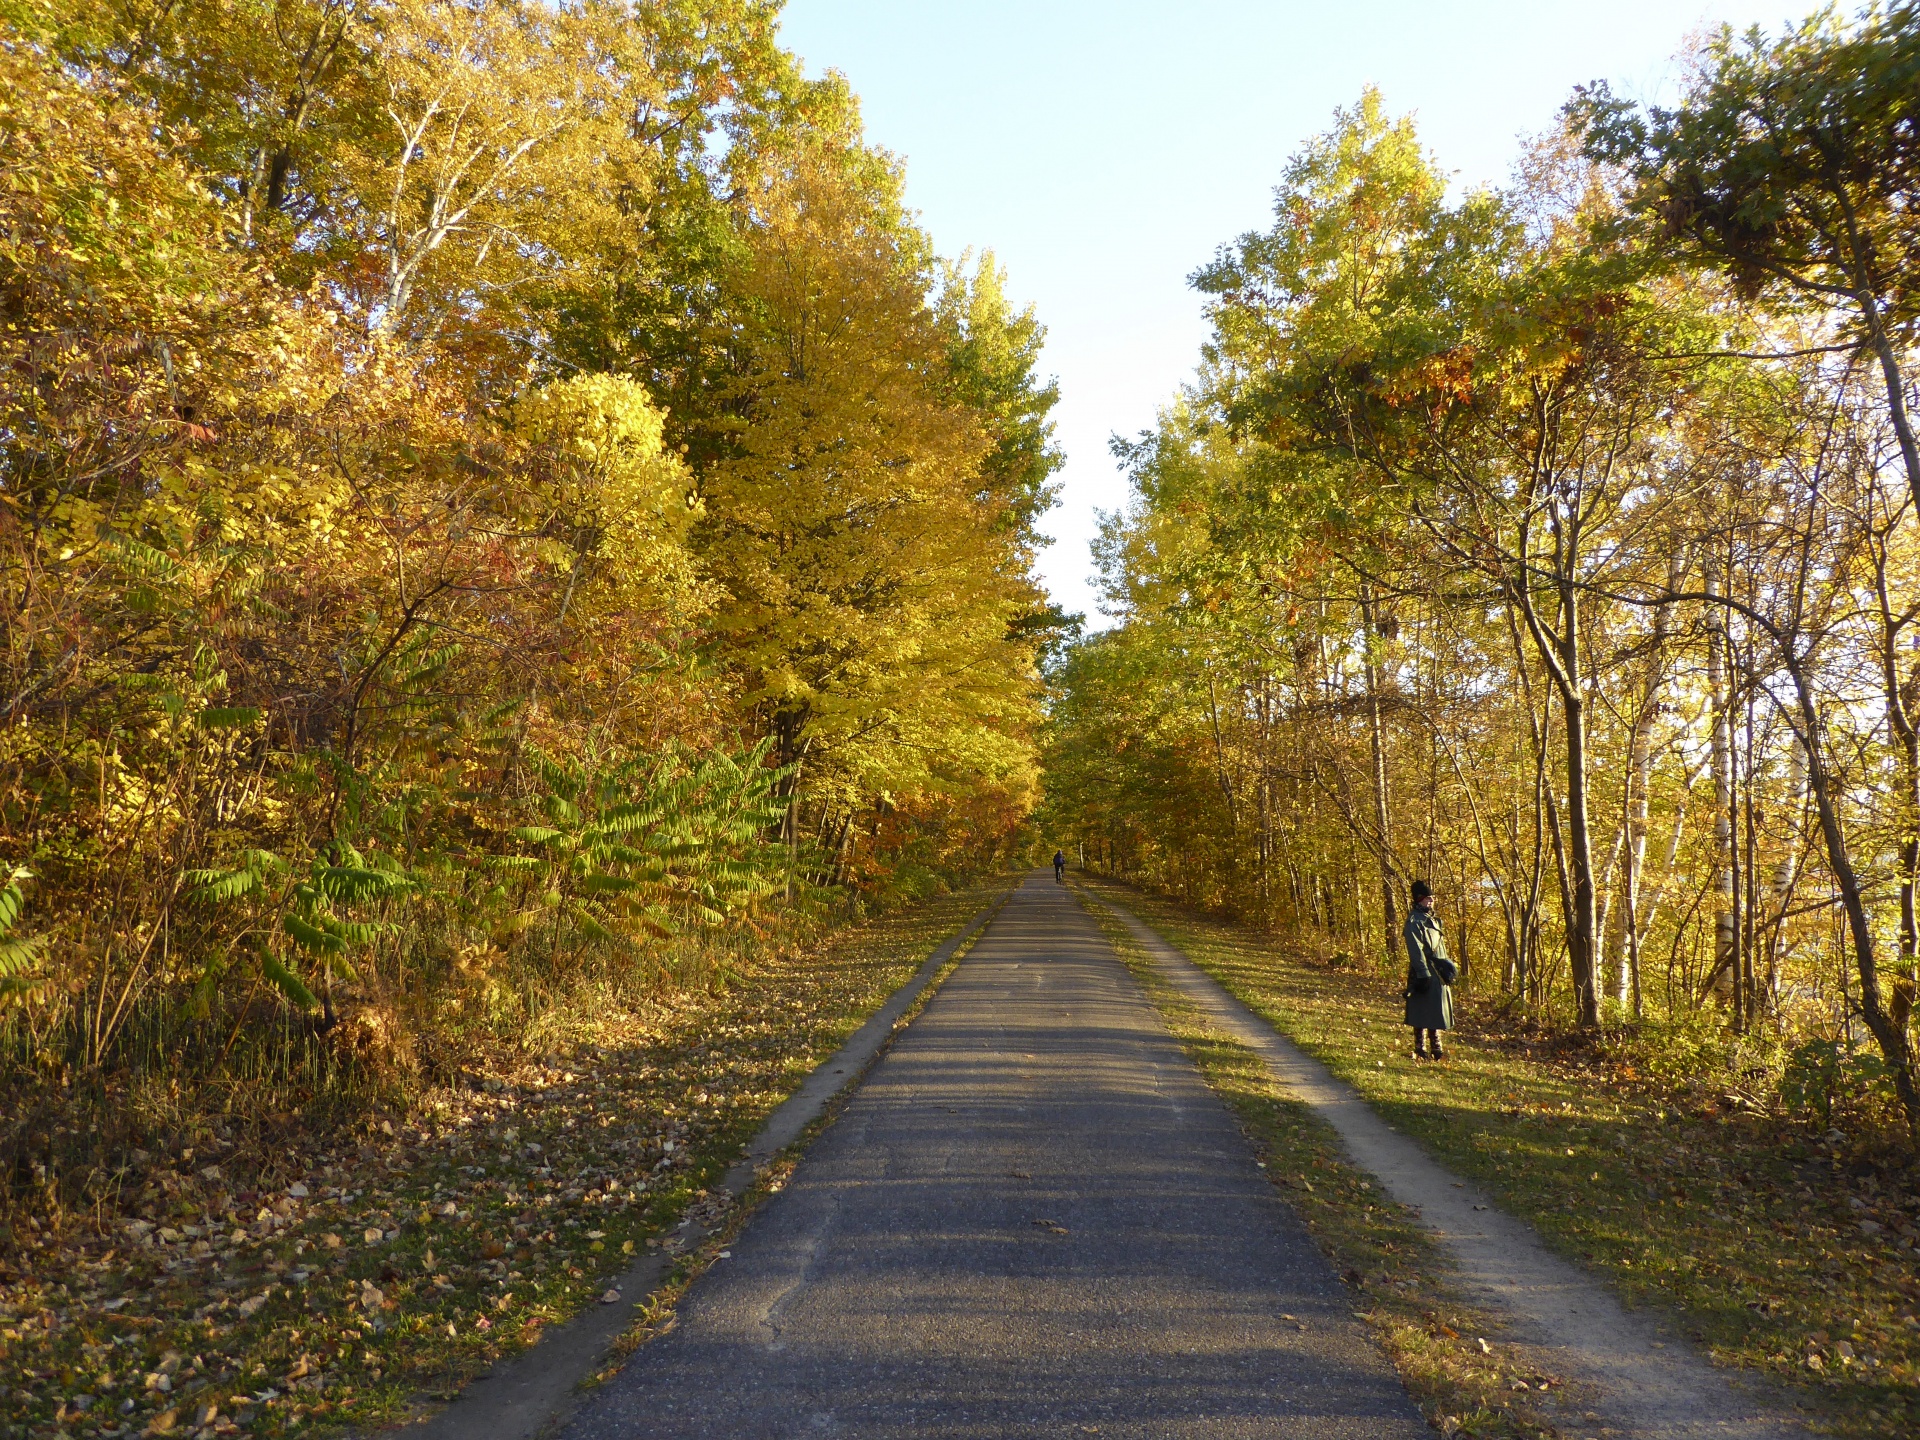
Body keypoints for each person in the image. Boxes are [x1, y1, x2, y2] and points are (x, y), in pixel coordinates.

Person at [1403, 879, 1457, 1059]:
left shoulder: (1433, 920)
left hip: (1438, 973)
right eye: (1428, 897)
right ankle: (1420, 1048)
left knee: (1435, 1011)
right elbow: (1415, 950)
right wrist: (1423, 974)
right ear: (1419, 899)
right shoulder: (1413, 922)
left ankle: (1437, 1048)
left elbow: (1441, 948)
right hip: (1424, 971)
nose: (1432, 900)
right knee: (1421, 1011)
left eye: (1432, 897)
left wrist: (1447, 968)